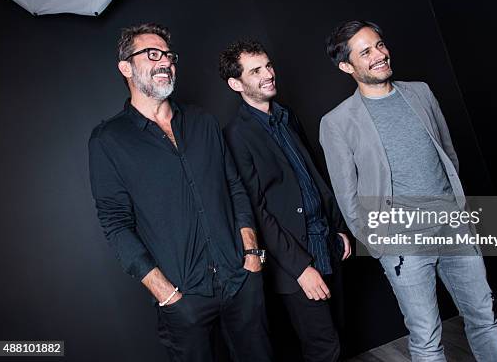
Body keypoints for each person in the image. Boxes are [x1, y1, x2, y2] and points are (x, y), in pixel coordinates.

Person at [319, 20, 497, 361]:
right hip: (402, 245)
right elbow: (346, 196)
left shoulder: (420, 92)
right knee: (426, 336)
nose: (380, 55)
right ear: (347, 66)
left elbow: (448, 154)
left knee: (483, 317)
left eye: (379, 45)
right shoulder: (337, 122)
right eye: (366, 52)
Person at [88, 23, 272, 362]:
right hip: (183, 297)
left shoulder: (203, 122)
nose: (165, 63)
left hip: (240, 280)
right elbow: (116, 225)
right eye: (152, 55)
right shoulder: (108, 140)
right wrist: (165, 293)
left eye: (169, 56)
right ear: (125, 67)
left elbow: (235, 188)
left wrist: (251, 255)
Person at [219, 40, 351, 362]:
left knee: (340, 337)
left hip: (327, 242)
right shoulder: (236, 136)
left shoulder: (286, 116)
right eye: (256, 70)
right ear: (236, 84)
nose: (268, 74)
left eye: (268, 65)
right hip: (295, 261)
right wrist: (300, 268)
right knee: (323, 348)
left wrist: (338, 227)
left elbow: (311, 175)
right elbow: (256, 211)